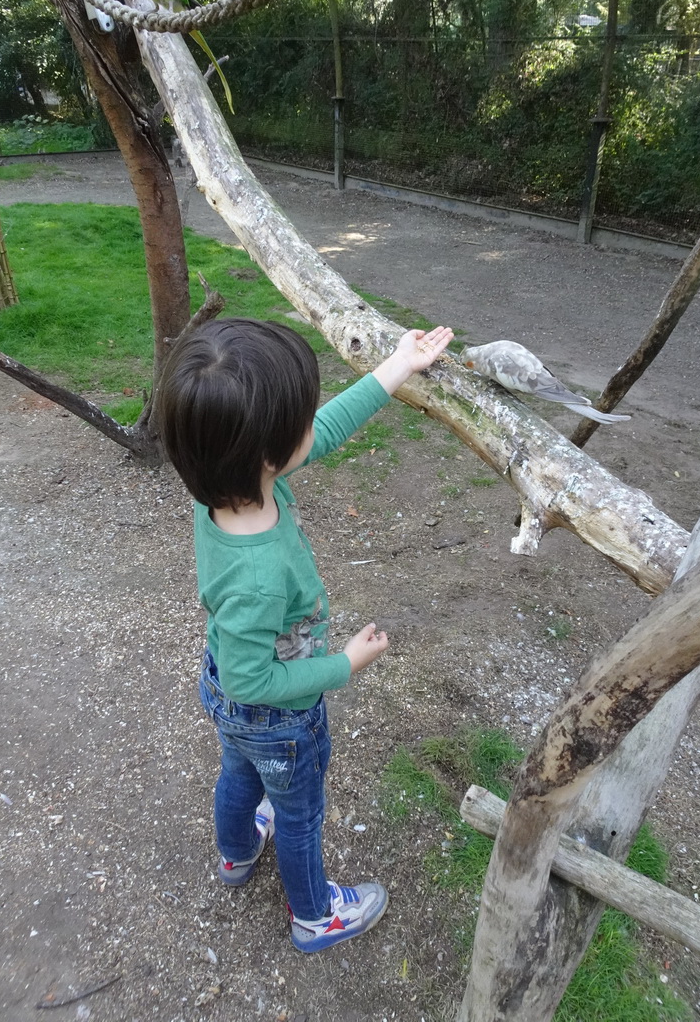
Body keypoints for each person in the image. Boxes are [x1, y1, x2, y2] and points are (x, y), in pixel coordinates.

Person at [158, 316, 453, 952]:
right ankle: (315, 915)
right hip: (279, 716)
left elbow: (326, 432)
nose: (312, 429)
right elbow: (253, 678)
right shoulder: (259, 574)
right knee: (298, 815)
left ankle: (236, 857)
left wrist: (397, 367)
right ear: (266, 454)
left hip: (228, 700)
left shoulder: (223, 486)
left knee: (237, 774)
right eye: (301, 421)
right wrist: (343, 665)